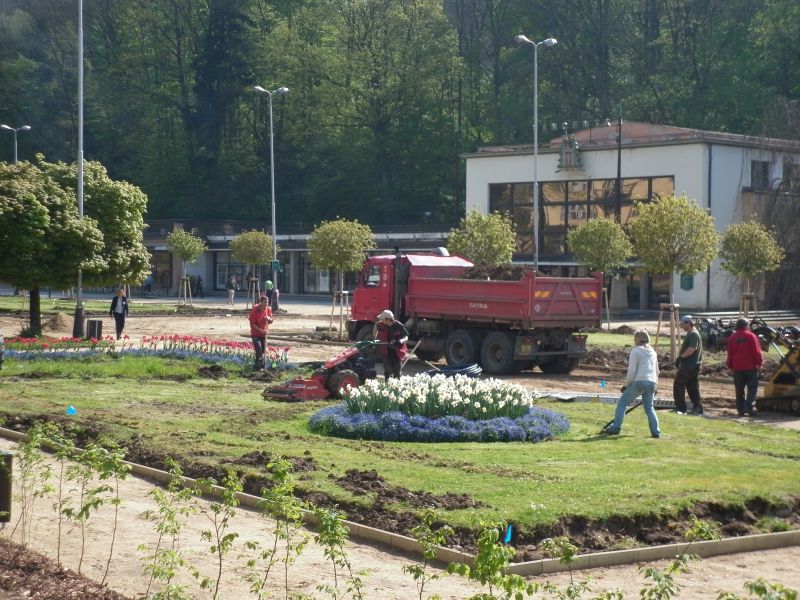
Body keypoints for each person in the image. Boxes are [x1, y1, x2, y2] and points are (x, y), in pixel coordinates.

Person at [603, 330, 661, 438]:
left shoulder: (636, 351)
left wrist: (626, 385)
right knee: (649, 408)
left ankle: (615, 428)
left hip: (640, 381)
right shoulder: (653, 352)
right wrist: (655, 385)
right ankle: (656, 432)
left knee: (622, 402)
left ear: (637, 339)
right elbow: (657, 371)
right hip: (652, 382)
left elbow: (631, 371)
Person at [726, 318, 763, 417]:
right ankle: (749, 407)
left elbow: (730, 354)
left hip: (737, 368)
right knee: (752, 389)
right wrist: (759, 364)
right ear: (746, 325)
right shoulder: (751, 336)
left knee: (739, 390)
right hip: (750, 367)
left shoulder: (732, 338)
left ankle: (740, 410)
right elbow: (757, 352)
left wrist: (730, 366)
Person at [674, 314, 704, 415]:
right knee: (692, 387)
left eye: (682, 324)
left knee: (678, 385)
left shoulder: (693, 334)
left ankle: (681, 409)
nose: (681, 326)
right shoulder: (692, 333)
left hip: (689, 366)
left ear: (688, 323)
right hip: (693, 365)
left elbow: (692, 349)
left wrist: (681, 357)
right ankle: (698, 408)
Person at [372, 309, 408, 379]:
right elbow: (375, 330)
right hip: (385, 350)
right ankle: (387, 384)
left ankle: (396, 385)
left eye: (383, 319)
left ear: (388, 319)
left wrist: (399, 341)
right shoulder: (380, 324)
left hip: (397, 351)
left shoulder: (399, 326)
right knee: (387, 371)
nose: (381, 320)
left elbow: (406, 337)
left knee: (397, 371)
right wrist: (374, 339)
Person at [248, 293, 273, 369]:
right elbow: (252, 324)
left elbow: (271, 321)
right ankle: (260, 368)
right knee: (259, 350)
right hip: (255, 334)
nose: (266, 304)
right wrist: (260, 330)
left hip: (263, 334)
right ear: (261, 302)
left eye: (267, 302)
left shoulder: (268, 309)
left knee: (262, 351)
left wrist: (269, 319)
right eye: (265, 302)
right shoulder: (255, 309)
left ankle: (256, 367)